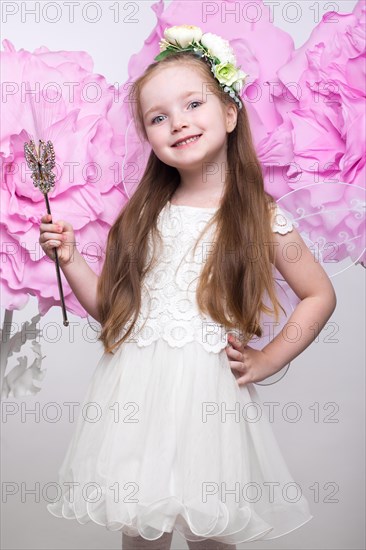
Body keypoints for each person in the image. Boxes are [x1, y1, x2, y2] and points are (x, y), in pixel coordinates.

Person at [39, 25, 336, 550]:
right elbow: (113, 310)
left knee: (211, 528)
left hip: (207, 400)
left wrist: (268, 359)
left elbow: (319, 294)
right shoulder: (143, 217)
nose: (177, 122)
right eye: (158, 117)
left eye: (192, 104)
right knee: (142, 529)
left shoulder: (259, 217)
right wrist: (70, 260)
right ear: (149, 138)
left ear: (229, 111)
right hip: (135, 398)